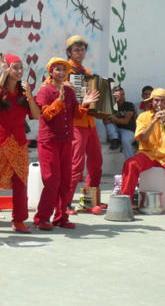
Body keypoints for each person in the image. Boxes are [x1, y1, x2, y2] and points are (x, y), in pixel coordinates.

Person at [34, 58, 98, 230]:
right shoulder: (44, 91)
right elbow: (47, 115)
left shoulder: (70, 92)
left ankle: (61, 217)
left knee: (65, 180)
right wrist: (59, 101)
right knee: (52, 180)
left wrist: (84, 104)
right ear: (50, 72)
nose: (62, 73)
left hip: (66, 140)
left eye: (64, 70)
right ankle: (41, 218)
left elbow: (76, 114)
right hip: (49, 141)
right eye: (58, 70)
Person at [0, 54, 40, 234]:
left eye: (21, 68)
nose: (20, 71)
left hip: (18, 141)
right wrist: (3, 75)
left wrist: (29, 95)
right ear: (7, 69)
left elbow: (36, 115)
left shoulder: (24, 91)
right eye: (15, 67)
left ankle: (19, 220)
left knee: (21, 180)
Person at [120, 88, 165, 216]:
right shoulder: (143, 116)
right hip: (147, 154)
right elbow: (142, 138)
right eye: (156, 100)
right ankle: (126, 202)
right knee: (130, 164)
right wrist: (154, 121)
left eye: (162, 100)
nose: (159, 103)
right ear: (151, 101)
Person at [65, 35, 103, 213]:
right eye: (76, 50)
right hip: (75, 123)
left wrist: (112, 101)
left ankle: (89, 202)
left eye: (82, 50)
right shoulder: (65, 71)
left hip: (90, 123)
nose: (80, 53)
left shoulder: (88, 73)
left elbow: (97, 101)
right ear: (69, 52)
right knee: (76, 165)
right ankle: (64, 203)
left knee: (96, 162)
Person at [103, 86, 136, 159]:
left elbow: (125, 121)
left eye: (122, 94)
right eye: (118, 95)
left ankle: (130, 161)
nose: (121, 97)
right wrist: (113, 119)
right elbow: (105, 121)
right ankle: (115, 140)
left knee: (125, 140)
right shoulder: (110, 106)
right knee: (109, 124)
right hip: (115, 131)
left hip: (128, 131)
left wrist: (115, 119)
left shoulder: (129, 105)